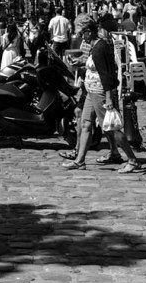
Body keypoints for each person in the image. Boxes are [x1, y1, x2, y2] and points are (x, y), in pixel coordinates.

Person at [60, 20, 141, 173]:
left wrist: (109, 97)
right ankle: (80, 161)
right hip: (91, 91)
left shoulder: (99, 48)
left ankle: (132, 159)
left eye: (82, 34)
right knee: (85, 124)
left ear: (89, 32)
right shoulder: (96, 46)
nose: (82, 38)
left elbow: (106, 75)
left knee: (111, 128)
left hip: (100, 92)